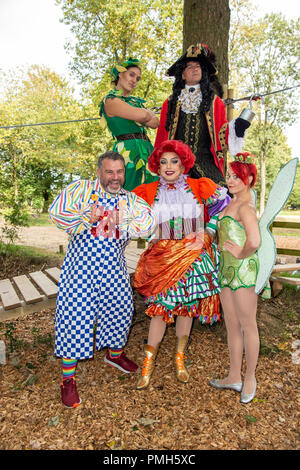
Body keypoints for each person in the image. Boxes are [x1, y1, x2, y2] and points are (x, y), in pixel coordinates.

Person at [49, 151, 156, 408]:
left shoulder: (130, 200)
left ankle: (114, 355)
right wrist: (87, 217)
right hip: (80, 268)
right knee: (75, 318)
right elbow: (57, 214)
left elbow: (149, 225)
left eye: (119, 172)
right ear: (99, 172)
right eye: (110, 172)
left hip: (113, 267)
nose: (115, 177)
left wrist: (125, 220)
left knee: (120, 311)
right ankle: (68, 380)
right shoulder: (81, 190)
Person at [132, 140, 230, 389]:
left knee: (186, 310)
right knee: (159, 312)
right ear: (157, 165)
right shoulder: (146, 191)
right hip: (161, 259)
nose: (168, 166)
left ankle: (179, 358)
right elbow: (126, 214)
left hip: (191, 256)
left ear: (184, 163)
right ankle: (148, 361)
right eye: (163, 161)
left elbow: (223, 207)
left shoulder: (200, 186)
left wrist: (207, 232)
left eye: (174, 160)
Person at [155, 43, 250, 185]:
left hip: (206, 164)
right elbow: (162, 136)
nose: (195, 69)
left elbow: (222, 134)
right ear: (182, 73)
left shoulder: (214, 102)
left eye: (198, 66)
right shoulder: (170, 103)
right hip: (176, 165)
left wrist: (237, 127)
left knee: (222, 195)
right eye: (190, 66)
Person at [209, 152, 261, 404]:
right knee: (232, 325)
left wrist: (240, 252)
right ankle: (233, 376)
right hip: (226, 271)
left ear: (250, 178)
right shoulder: (230, 202)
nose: (230, 180)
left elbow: (254, 240)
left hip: (243, 272)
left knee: (248, 325)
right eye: (229, 176)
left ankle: (250, 377)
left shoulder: (244, 206)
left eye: (237, 177)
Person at [99, 57, 160, 191]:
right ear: (120, 74)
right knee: (129, 192)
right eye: (131, 75)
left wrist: (142, 114)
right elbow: (144, 116)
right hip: (127, 152)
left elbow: (155, 123)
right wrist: (145, 114)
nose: (134, 80)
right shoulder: (111, 100)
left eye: (138, 78)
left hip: (147, 150)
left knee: (153, 191)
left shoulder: (135, 103)